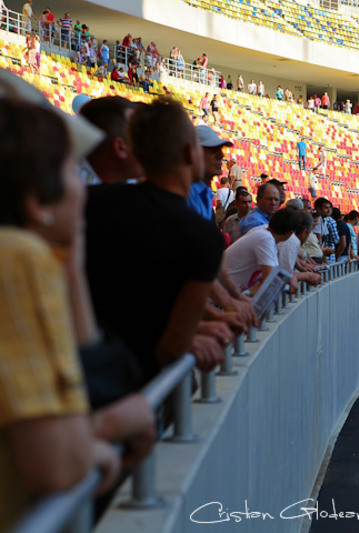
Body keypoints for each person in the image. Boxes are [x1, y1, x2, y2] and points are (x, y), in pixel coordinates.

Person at [0, 87, 155, 530]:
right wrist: (106, 429)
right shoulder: (18, 256)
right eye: (73, 169)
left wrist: (71, 273)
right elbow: (57, 465)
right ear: (37, 203)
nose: (84, 186)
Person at [85, 97, 227, 381]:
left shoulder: (88, 200)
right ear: (190, 153)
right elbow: (172, 348)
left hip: (85, 369)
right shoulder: (202, 238)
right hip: (141, 385)